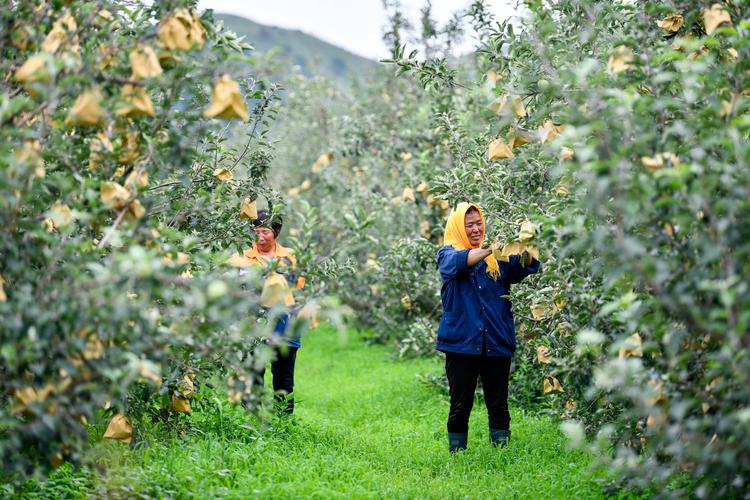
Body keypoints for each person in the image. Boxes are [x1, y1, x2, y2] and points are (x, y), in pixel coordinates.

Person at [436, 202, 540, 452]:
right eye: (468, 224)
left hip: (496, 340)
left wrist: (529, 239)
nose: (475, 229)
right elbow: (460, 262)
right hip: (462, 344)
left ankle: (501, 455)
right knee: (460, 405)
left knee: (499, 404)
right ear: (458, 227)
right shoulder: (448, 254)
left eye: (478, 223)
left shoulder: (499, 259)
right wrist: (490, 248)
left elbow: (525, 264)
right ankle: (457, 456)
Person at [232, 209, 304, 414]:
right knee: (253, 376)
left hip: (284, 327)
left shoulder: (289, 257)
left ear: (276, 232)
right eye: (256, 231)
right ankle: (252, 422)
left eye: (265, 232)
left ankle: (283, 425)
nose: (260, 237)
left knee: (283, 379)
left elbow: (298, 288)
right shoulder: (243, 257)